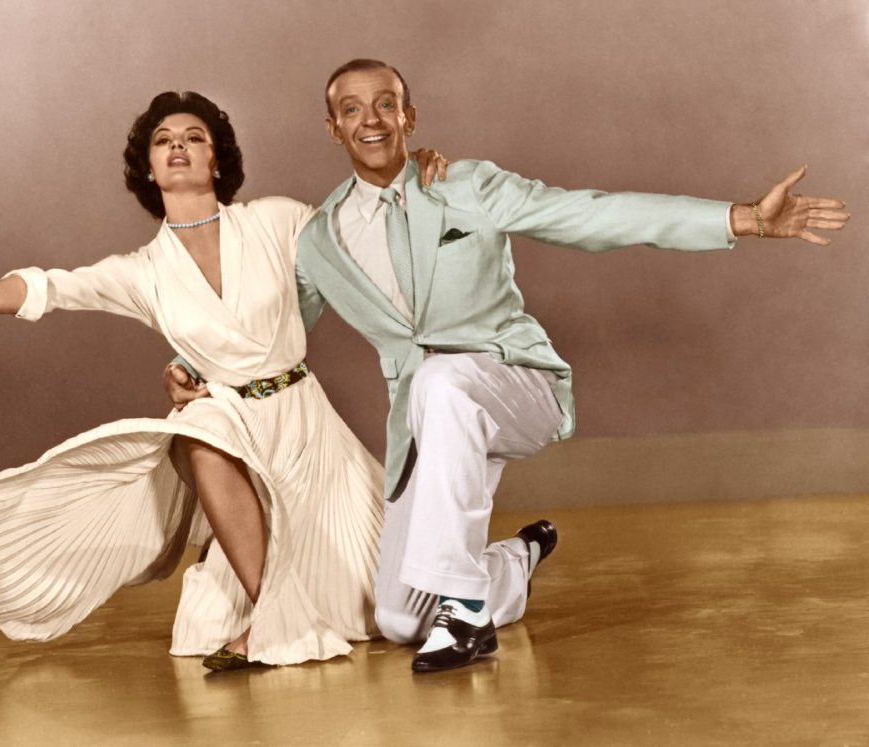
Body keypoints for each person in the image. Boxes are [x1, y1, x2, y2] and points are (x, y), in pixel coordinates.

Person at [164, 58, 850, 673]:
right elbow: (271, 329)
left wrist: (742, 219)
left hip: (517, 384)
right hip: (425, 429)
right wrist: (194, 366)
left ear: (408, 118)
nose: (371, 119)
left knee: (442, 378)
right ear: (332, 128)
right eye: (352, 108)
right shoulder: (320, 240)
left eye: (385, 104)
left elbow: (590, 214)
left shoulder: (465, 185)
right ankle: (514, 560)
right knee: (399, 619)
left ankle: (465, 612)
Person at [0, 91, 447, 671]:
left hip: (305, 426)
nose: (178, 146)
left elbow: (360, 229)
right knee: (199, 429)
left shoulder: (277, 219)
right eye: (164, 140)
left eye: (195, 137)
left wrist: (410, 175)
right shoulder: (140, 272)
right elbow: (43, 289)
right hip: (230, 418)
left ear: (216, 159)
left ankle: (479, 566)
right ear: (148, 167)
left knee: (403, 601)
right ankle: (274, 615)